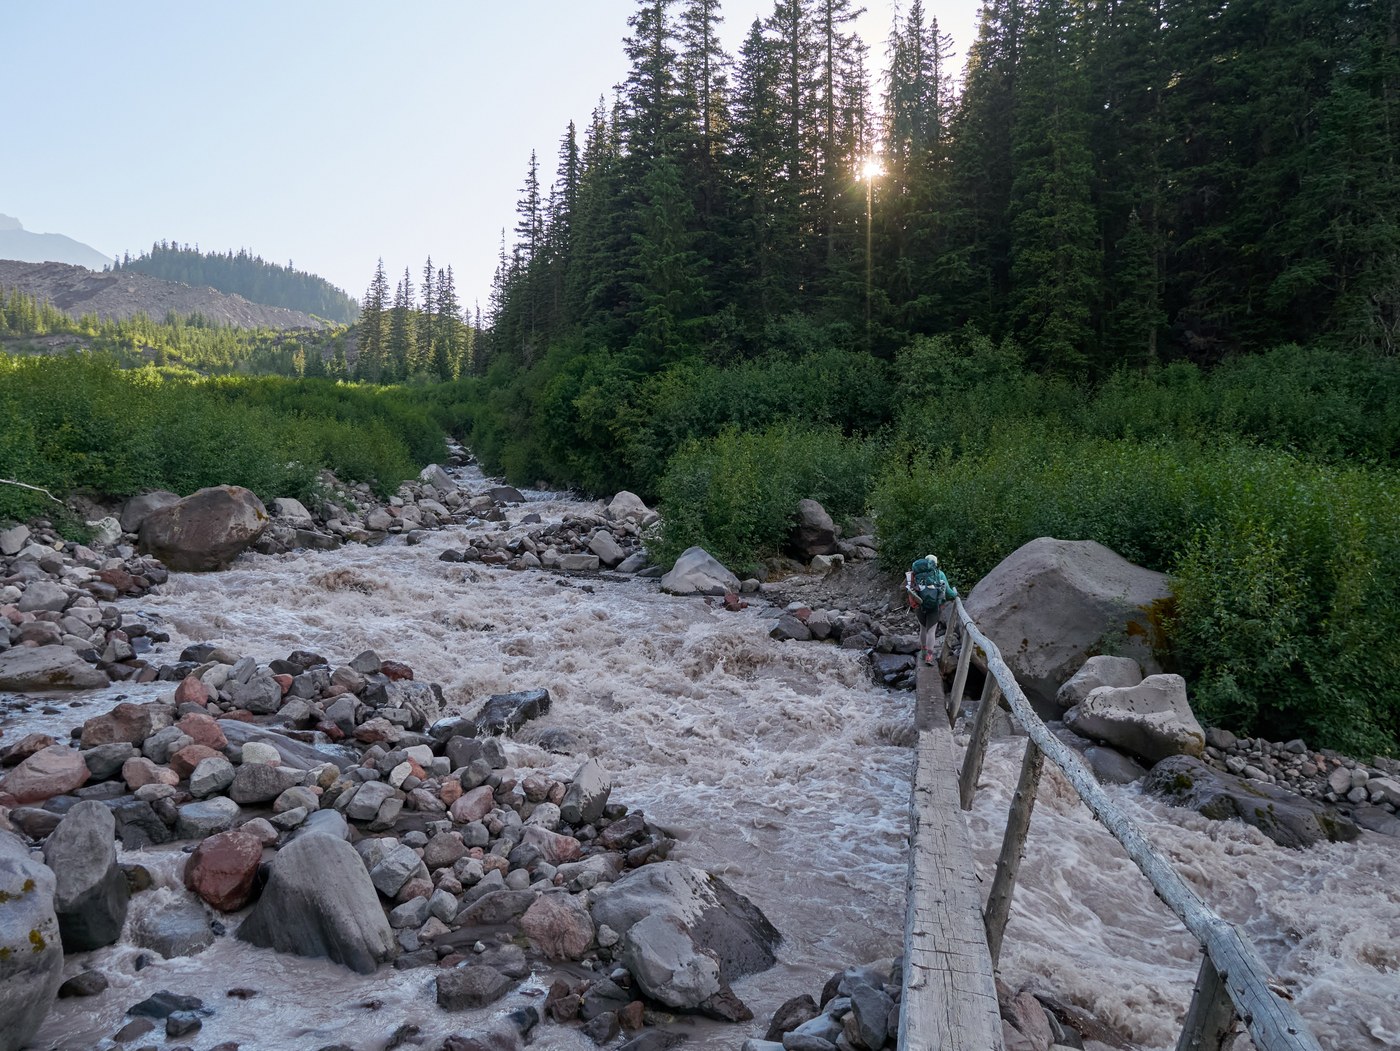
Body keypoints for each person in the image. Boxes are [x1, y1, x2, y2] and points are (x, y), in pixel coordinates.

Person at [905, 554, 957, 666]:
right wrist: (955, 594)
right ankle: (929, 656)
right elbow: (948, 592)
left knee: (923, 629)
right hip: (934, 606)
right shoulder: (939, 574)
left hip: (920, 605)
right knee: (931, 631)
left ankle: (923, 652)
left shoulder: (916, 574)